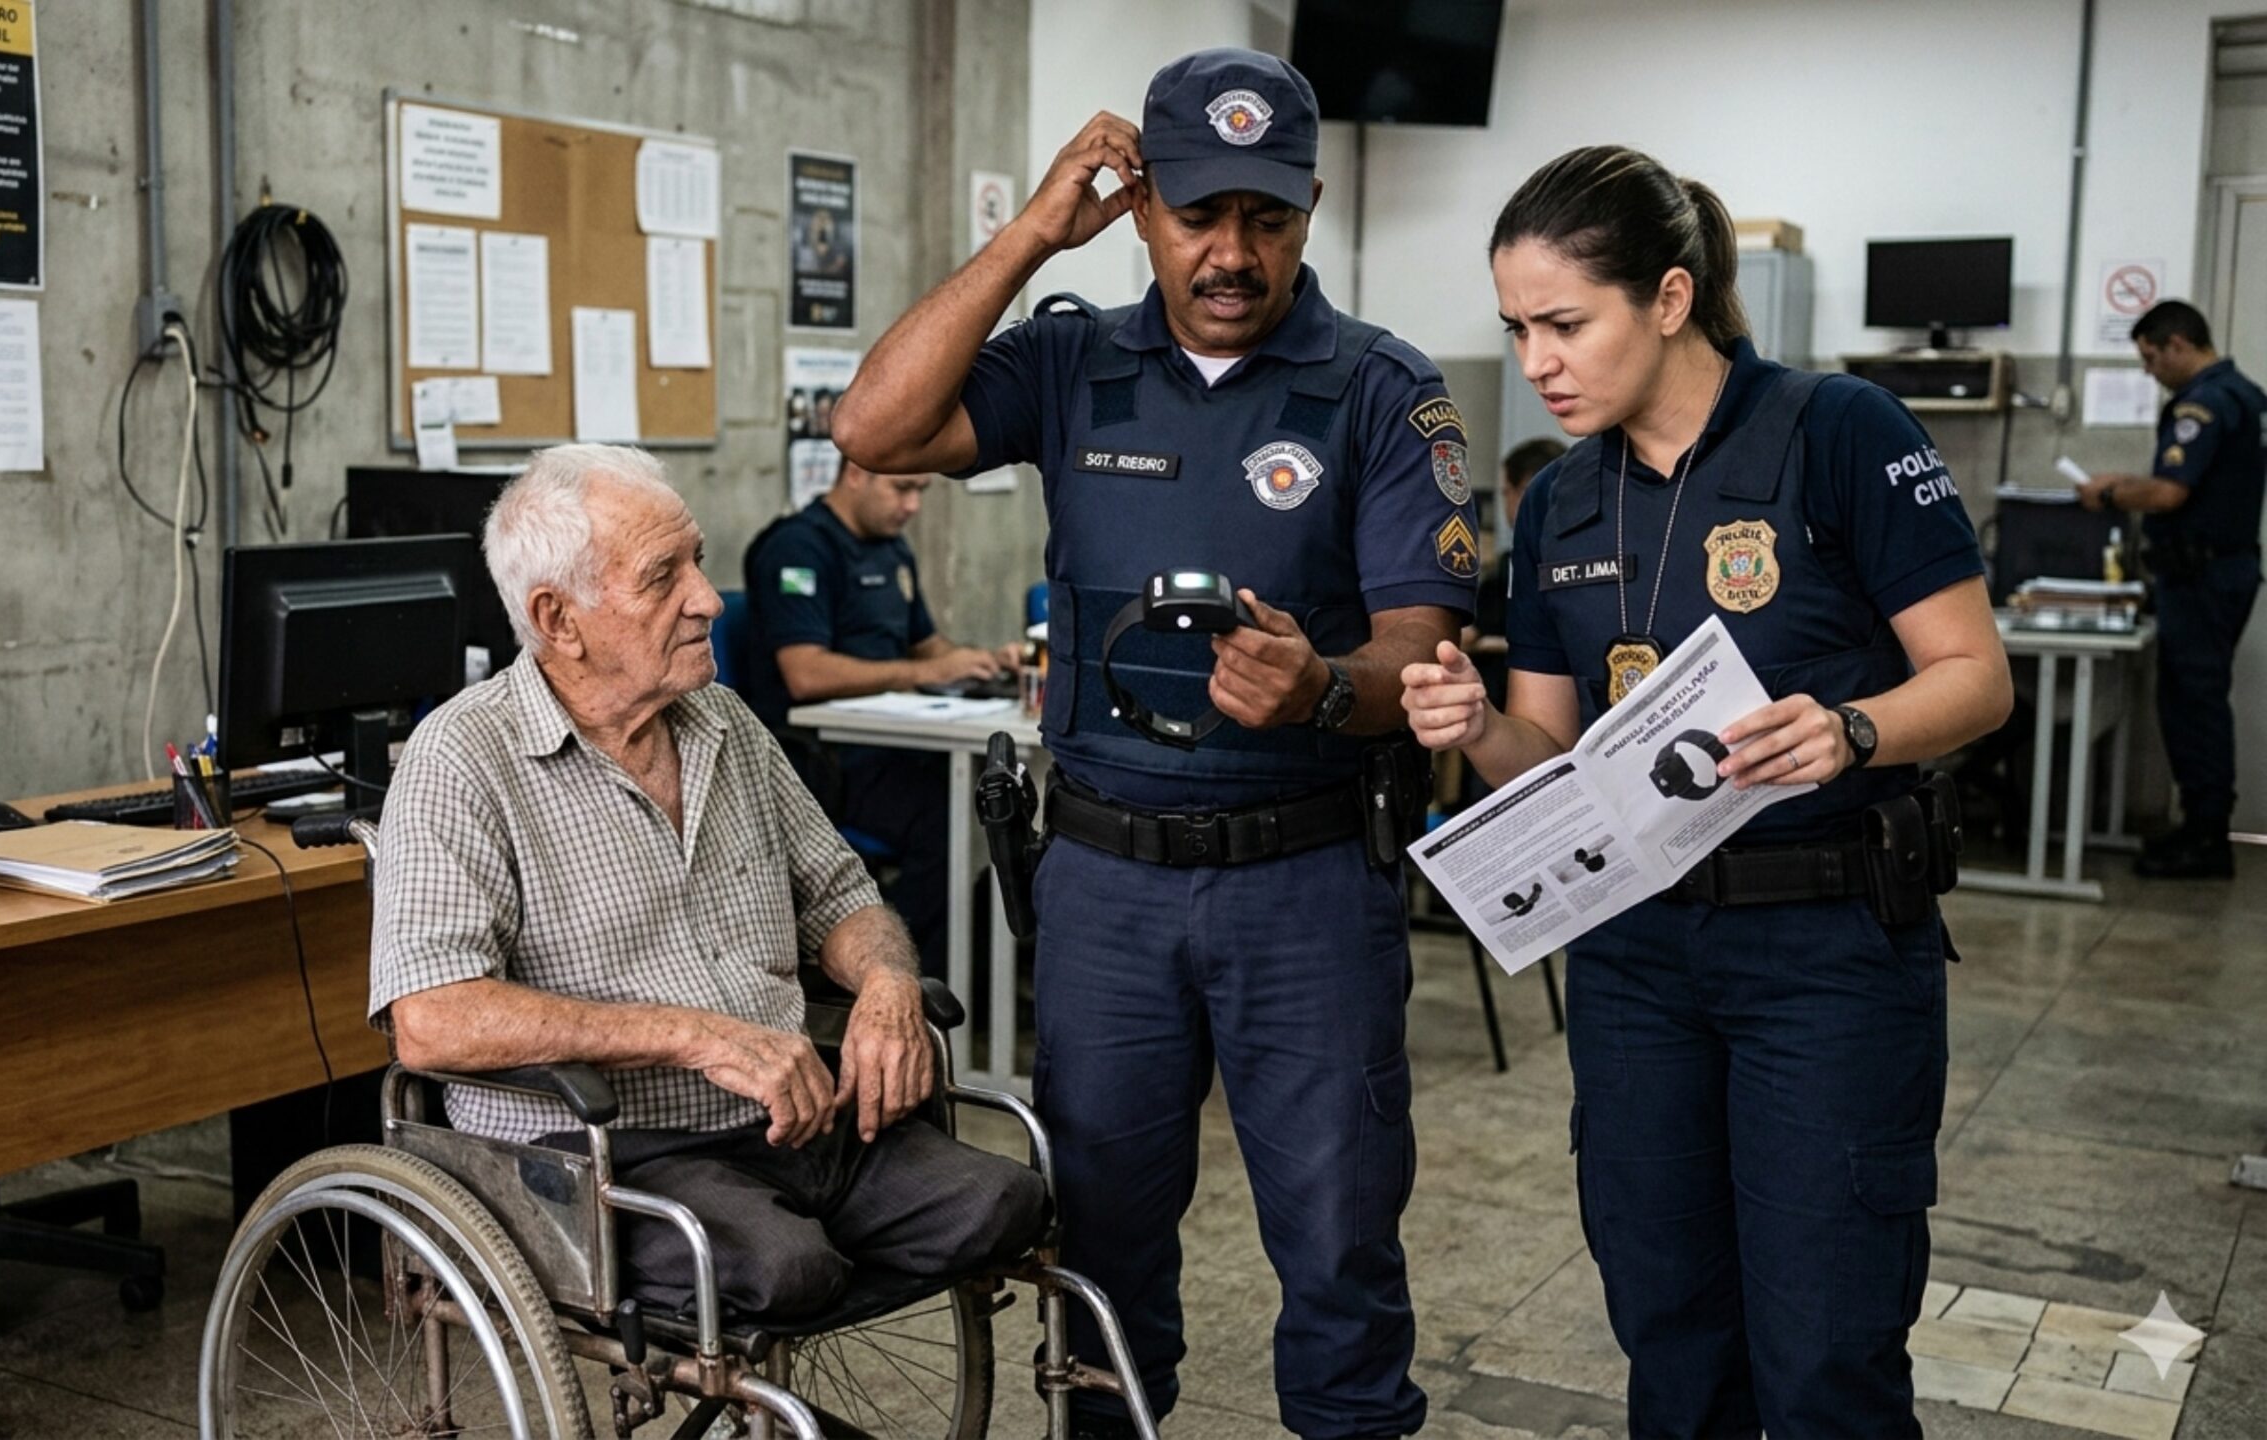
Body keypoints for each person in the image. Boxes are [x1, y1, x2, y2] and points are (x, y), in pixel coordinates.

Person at [832, 47, 1474, 1440]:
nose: (1232, 253)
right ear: (1139, 209)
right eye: (1198, 215)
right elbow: (871, 425)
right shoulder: (1073, 362)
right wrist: (1031, 231)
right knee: (1099, 1251)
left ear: (1309, 211)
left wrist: (1319, 687)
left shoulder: (1380, 387)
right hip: (1107, 888)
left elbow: (1419, 653)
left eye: (1267, 218)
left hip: (1306, 885)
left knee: (1341, 1244)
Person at [1401, 146, 2013, 1437]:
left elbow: (1976, 678)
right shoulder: (1561, 502)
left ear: (1670, 298)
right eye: (1516, 330)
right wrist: (1477, 728)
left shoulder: (1837, 432)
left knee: (1826, 1348)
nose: (1536, 362)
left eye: (1566, 324)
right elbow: (1552, 758)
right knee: (1671, 1332)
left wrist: (1852, 729)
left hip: (1825, 950)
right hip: (1638, 959)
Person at [367, 443, 1045, 1323]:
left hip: (795, 1120)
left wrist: (886, 986)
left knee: (1007, 1203)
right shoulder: (464, 757)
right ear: (558, 618)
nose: (709, 600)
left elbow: (840, 895)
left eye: (698, 561)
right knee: (786, 1270)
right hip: (611, 1150)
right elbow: (431, 1018)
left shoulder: (721, 720)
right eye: (664, 577)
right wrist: (696, 1037)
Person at [744, 461, 1026, 978]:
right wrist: (920, 673)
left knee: (997, 798)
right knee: (951, 818)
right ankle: (901, 972)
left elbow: (927, 645)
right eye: (901, 489)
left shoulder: (892, 548)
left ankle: (976, 976)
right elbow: (805, 673)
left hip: (900, 746)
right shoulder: (798, 547)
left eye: (920, 490)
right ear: (857, 472)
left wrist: (981, 661)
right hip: (824, 761)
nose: (912, 506)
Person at [2080, 299, 2262, 880]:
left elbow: (2170, 493)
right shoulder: (2247, 396)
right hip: (2223, 572)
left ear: (2178, 344)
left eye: (2151, 357)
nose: (2148, 371)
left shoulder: (2202, 404)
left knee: (2193, 705)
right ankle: (2203, 826)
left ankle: (2206, 837)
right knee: (2198, 700)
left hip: (2200, 578)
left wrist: (2109, 493)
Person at [1471, 436, 1568, 708]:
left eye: (1506, 492)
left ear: (1524, 490)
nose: (1506, 502)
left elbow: (1472, 633)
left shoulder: (1511, 567)